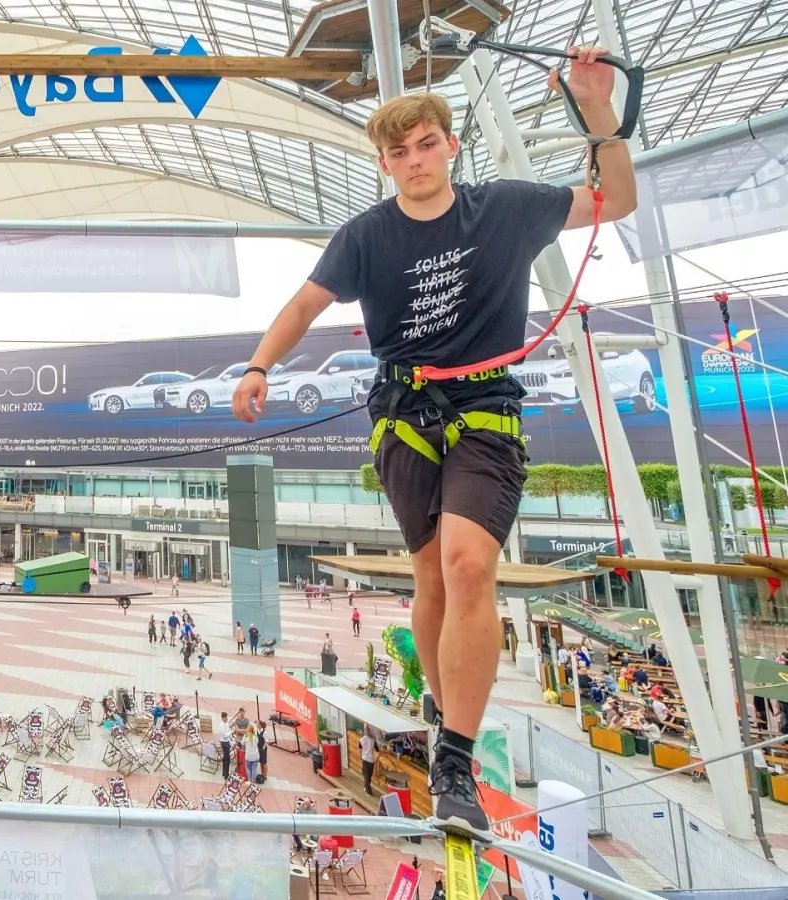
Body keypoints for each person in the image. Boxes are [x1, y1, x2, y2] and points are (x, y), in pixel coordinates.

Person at [229, 50, 635, 834]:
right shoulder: (366, 236)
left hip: (485, 407)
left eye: (425, 144)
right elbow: (304, 303)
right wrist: (258, 366)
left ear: (450, 145)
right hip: (403, 412)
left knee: (468, 563)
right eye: (398, 151)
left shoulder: (505, 210)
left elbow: (615, 198)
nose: (414, 160)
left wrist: (597, 108)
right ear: (383, 163)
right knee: (432, 580)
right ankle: (446, 715)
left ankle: (454, 758)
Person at [359, 729, 379, 797]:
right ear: (370, 732)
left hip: (365, 759)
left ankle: (368, 790)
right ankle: (366, 788)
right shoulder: (373, 740)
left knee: (366, 775)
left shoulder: (361, 739)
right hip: (371, 760)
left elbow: (360, 749)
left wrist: (360, 757)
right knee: (369, 775)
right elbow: (377, 749)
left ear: (364, 732)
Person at [216, 712, 234, 780]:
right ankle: (226, 774)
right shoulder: (221, 725)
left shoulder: (226, 724)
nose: (227, 718)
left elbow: (228, 732)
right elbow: (225, 735)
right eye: (226, 717)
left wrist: (230, 740)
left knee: (226, 758)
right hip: (224, 743)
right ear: (223, 718)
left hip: (227, 742)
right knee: (227, 758)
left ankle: (224, 772)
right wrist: (231, 732)